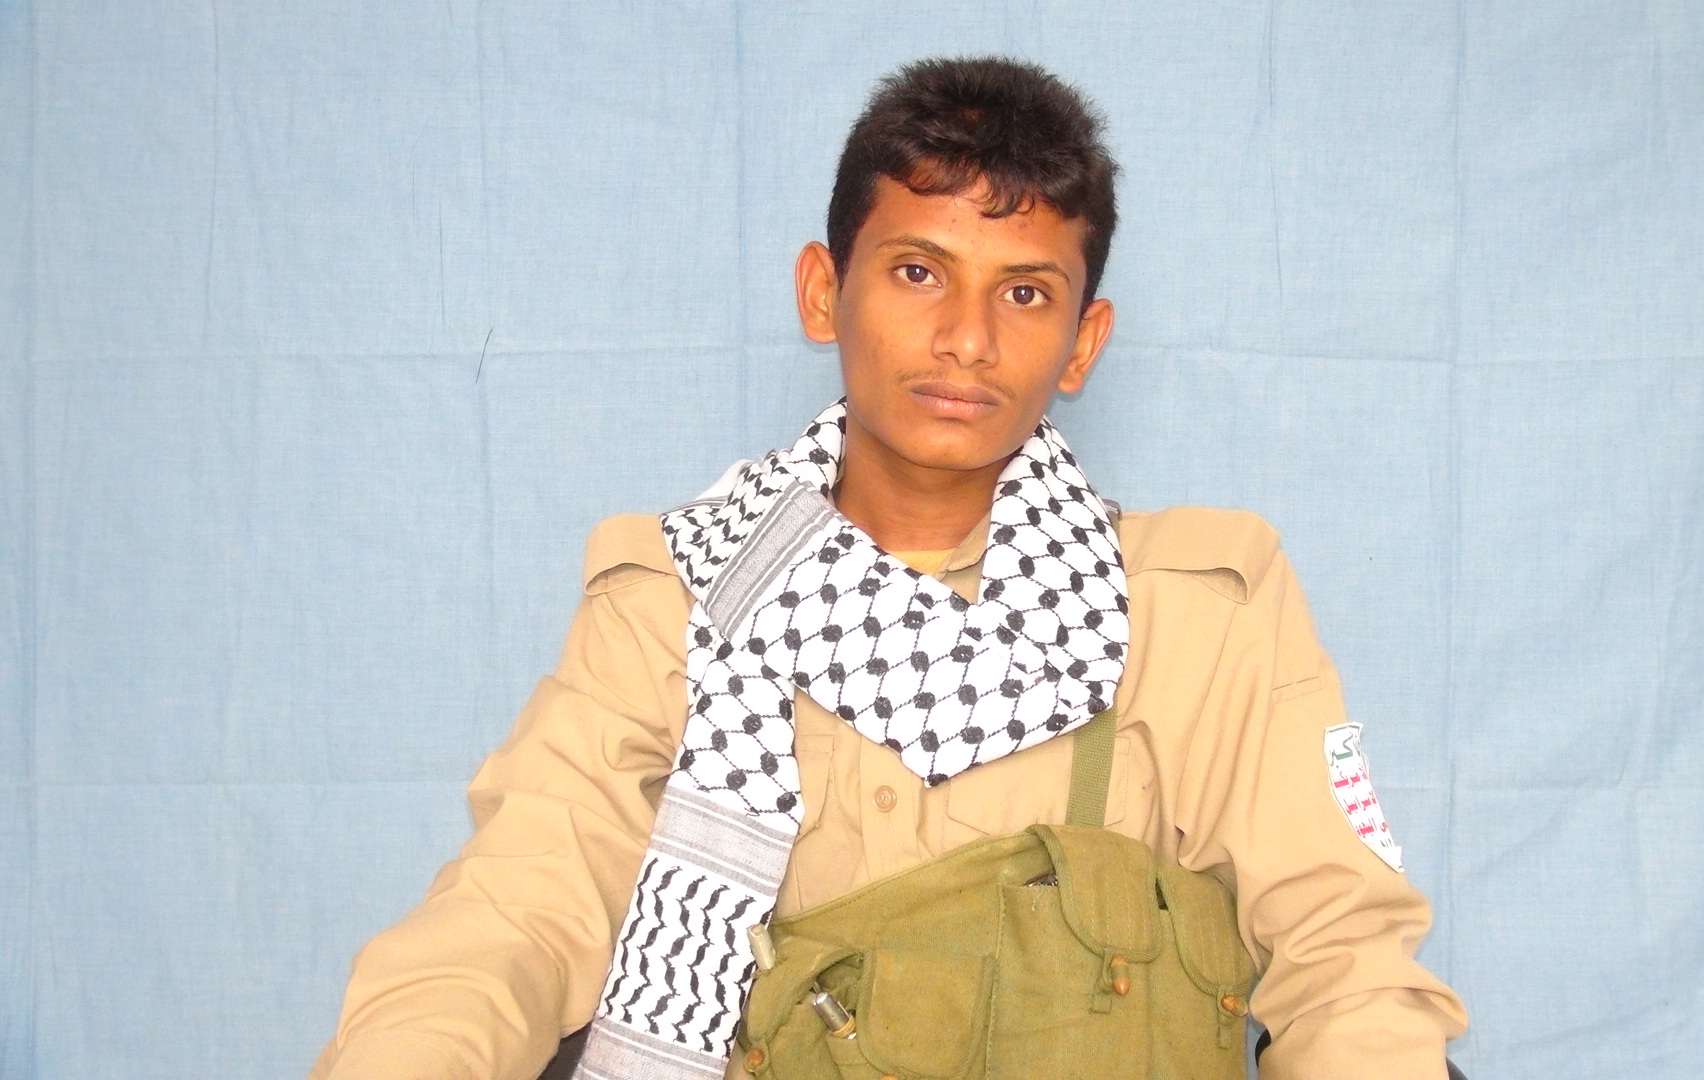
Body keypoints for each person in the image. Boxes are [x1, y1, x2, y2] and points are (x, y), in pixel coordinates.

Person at [309, 56, 1467, 1080]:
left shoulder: (1196, 613)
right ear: (826, 292)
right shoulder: (680, 599)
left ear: (1083, 343)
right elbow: (514, 917)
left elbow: (1341, 958)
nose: (968, 338)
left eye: (1025, 293)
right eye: (919, 272)